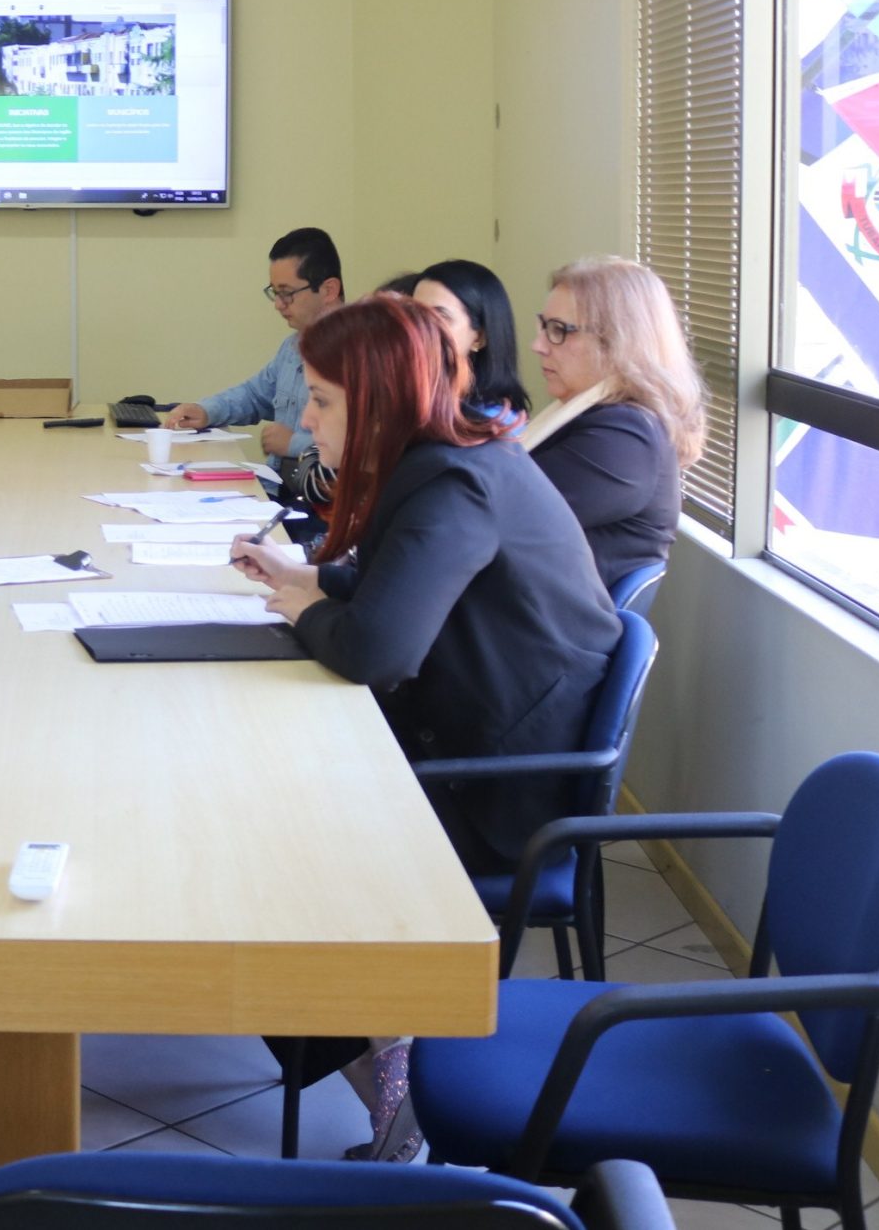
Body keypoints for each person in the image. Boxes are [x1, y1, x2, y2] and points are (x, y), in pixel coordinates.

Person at [231, 295, 618, 1162]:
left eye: (324, 399)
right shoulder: (439, 461)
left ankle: (402, 1099)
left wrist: (303, 607)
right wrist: (311, 578)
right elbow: (380, 584)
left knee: (257, 853)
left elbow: (376, 648)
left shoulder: (455, 482)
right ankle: (389, 1074)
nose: (306, 417)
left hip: (499, 789)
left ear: (375, 400)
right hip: (464, 742)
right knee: (255, 825)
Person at [523, 256, 706, 590]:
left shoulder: (627, 440)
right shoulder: (598, 416)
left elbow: (497, 509)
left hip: (538, 632)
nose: (538, 346)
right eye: (544, 326)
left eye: (559, 331)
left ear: (617, 343)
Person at [162, 227, 345, 474]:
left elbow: (368, 446)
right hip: (276, 487)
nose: (279, 305)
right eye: (275, 293)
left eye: (287, 293)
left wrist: (294, 444)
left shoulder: (360, 354)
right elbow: (255, 395)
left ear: (328, 290)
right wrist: (206, 411)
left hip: (320, 501)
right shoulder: (293, 347)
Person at [412, 259, 531, 426]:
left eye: (440, 317)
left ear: (479, 337)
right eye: (414, 314)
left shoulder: (495, 425)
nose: (419, 328)